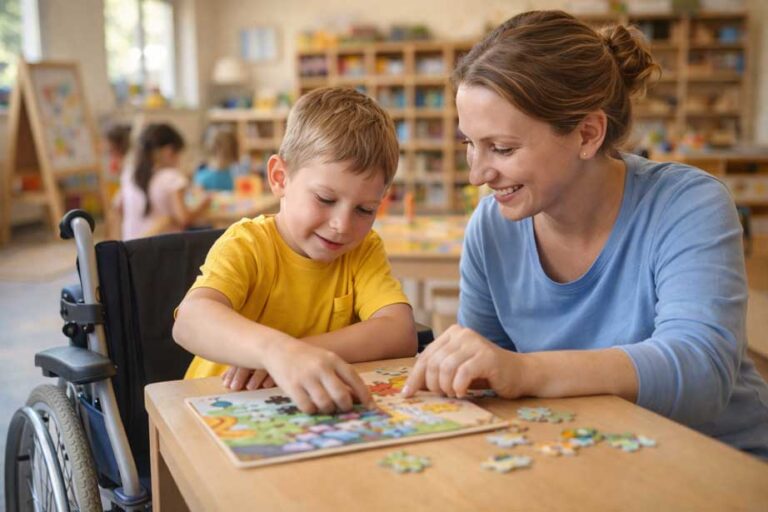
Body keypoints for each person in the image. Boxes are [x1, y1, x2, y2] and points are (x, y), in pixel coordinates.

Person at [402, 10, 768, 458]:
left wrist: (524, 371)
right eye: (469, 145)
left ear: (588, 133)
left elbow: (700, 374)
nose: (477, 173)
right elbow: (488, 387)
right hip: (586, 457)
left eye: (501, 148)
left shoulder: (688, 204)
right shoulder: (491, 227)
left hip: (715, 464)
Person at [173, 87, 417, 414]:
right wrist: (277, 352)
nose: (342, 225)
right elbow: (189, 321)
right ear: (280, 178)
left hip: (300, 416)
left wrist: (301, 353)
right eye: (326, 199)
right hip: (216, 410)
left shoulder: (362, 249)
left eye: (365, 210)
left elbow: (400, 331)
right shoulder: (247, 243)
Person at [116, 123, 210, 240]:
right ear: (168, 151)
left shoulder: (129, 173)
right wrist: (204, 204)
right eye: (178, 154)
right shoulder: (172, 178)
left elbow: (118, 206)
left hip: (130, 246)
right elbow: (184, 218)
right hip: (163, 250)